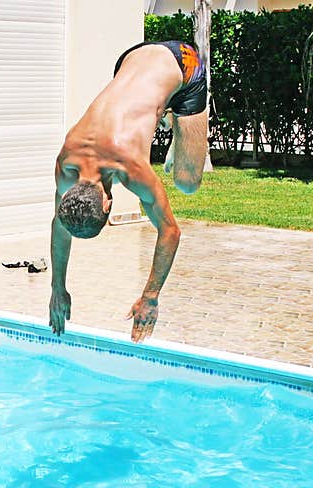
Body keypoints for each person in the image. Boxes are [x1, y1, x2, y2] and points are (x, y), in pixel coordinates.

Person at [48, 40, 209, 343]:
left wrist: (150, 296)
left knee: (186, 183)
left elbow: (171, 231)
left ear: (108, 205)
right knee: (147, 106)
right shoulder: (67, 162)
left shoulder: (132, 167)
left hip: (182, 64)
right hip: (130, 58)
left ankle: (182, 126)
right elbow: (59, 226)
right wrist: (58, 287)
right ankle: (164, 111)